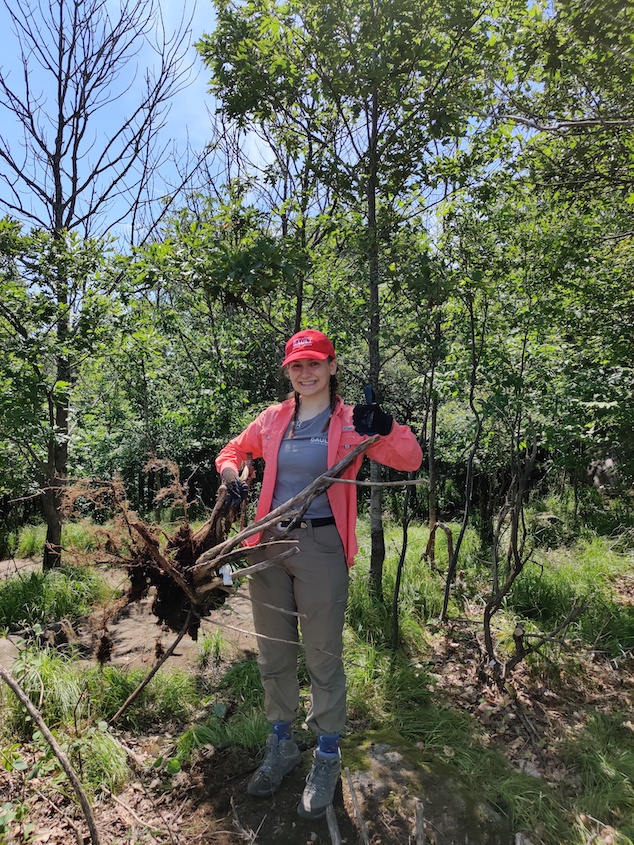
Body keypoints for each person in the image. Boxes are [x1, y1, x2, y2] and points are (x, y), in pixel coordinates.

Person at [215, 328, 422, 819]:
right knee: (274, 651)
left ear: (332, 367)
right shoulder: (272, 419)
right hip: (268, 544)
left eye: (315, 363)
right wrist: (231, 475)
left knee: (323, 654)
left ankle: (327, 754)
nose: (305, 372)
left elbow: (409, 458)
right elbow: (232, 451)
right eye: (296, 365)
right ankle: (282, 742)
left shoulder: (352, 421)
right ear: (288, 372)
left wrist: (386, 426)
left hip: (323, 545)